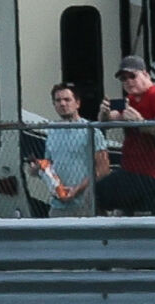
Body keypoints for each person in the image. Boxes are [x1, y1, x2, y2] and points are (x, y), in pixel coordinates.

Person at [94, 57, 155, 214]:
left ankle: (103, 233)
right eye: (124, 79)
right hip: (134, 171)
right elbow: (110, 118)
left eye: (132, 76)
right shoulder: (130, 99)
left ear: (146, 75)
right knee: (106, 196)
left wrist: (143, 124)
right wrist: (104, 113)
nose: (128, 82)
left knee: (97, 193)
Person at [39, 82, 110, 216]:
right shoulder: (52, 131)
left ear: (77, 103)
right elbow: (48, 164)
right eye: (58, 100)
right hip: (58, 205)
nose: (63, 104)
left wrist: (77, 189)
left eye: (67, 100)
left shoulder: (91, 131)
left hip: (86, 204)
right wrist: (38, 169)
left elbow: (103, 169)